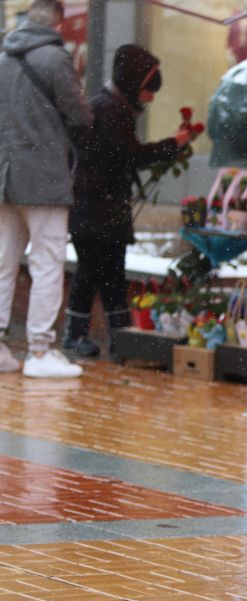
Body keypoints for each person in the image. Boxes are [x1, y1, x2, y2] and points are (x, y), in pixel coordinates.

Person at [62, 45, 191, 356]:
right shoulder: (111, 111)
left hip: (99, 207)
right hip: (97, 208)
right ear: (134, 85)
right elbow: (132, 155)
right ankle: (77, 336)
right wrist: (175, 143)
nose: (151, 98)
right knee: (93, 271)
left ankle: (120, 336)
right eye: (149, 90)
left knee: (110, 272)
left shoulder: (107, 106)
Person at [0, 0, 92, 377]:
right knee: (48, 262)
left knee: (3, 264)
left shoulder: (2, 59)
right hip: (43, 179)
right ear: (57, 23)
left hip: (5, 176)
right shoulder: (55, 60)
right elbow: (80, 115)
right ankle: (40, 350)